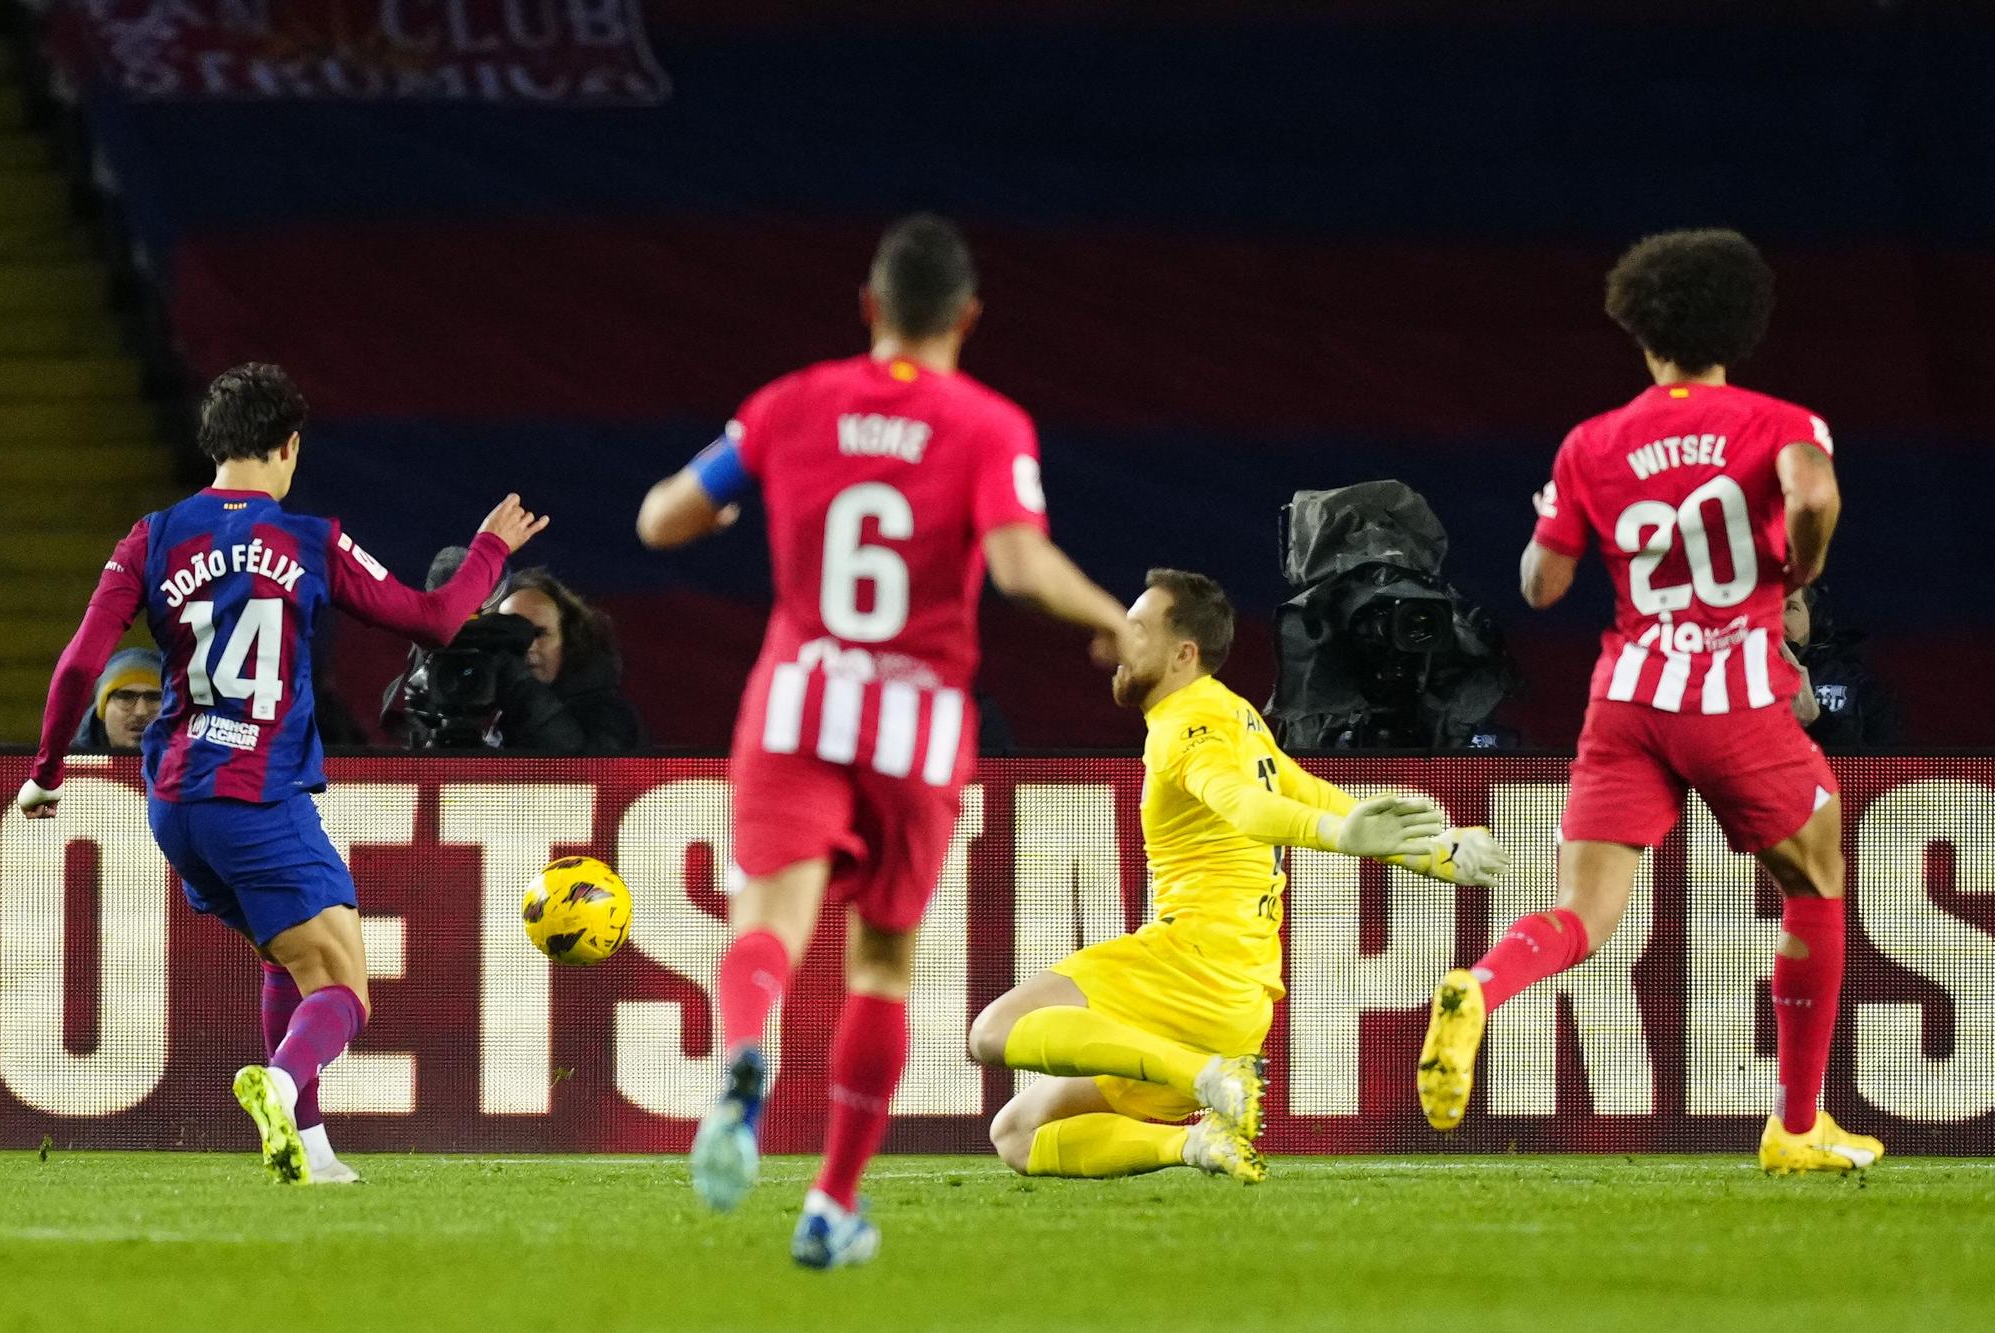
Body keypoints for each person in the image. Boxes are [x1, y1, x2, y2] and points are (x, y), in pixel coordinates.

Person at [636, 214, 1132, 1269]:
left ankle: (740, 1058)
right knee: (881, 966)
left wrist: (725, 506)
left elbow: (660, 520)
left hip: (797, 700)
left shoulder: (789, 404)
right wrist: (1112, 620)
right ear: (967, 317)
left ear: (867, 307)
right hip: (914, 720)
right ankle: (829, 1202)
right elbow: (1018, 567)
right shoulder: (987, 423)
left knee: (767, 926)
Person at [1415, 229, 1883, 1174]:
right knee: (1818, 879)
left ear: (1639, 329)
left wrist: (1561, 504)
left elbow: (1541, 584)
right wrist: (1802, 558)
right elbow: (1815, 493)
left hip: (1628, 694)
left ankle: (1480, 982)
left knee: (1583, 914)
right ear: (1740, 325)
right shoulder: (1781, 421)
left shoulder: (1593, 441)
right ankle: (1797, 1127)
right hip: (1734, 691)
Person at [17, 363, 548, 1185]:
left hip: (175, 802)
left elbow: (79, 664)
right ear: (289, 446)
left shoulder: (150, 537)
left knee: (288, 963)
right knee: (344, 990)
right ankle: (283, 1079)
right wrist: (490, 550)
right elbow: (437, 619)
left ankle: (312, 1147)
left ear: (213, 444)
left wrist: (48, 769)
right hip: (256, 794)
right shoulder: (309, 540)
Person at [968, 569, 1506, 1181]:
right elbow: (1309, 794)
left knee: (993, 1032)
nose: (1119, 641)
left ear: (1183, 653)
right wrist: (1433, 847)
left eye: (1136, 630)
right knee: (1016, 1133)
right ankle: (1197, 1144)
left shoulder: (1185, 723)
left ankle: (1205, 1076)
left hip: (1190, 966)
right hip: (1238, 1007)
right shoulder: (1237, 716)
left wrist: (1351, 836)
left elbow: (1247, 808)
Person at [492, 568, 646, 751]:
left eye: (539, 634)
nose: (528, 646)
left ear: (570, 640)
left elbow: (585, 771)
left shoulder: (612, 716)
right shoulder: (501, 715)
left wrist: (523, 690)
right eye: (513, 634)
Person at [1783, 585, 1901, 750]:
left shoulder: (1864, 691)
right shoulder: (1735, 687)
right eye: (1768, 610)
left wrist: (1817, 721)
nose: (1776, 621)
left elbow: (1884, 773)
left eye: (1790, 608)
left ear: (1814, 619)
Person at [70, 647, 163, 752]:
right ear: (102, 710)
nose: (140, 712)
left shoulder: (185, 765)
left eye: (155, 698)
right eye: (125, 697)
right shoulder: (63, 766)